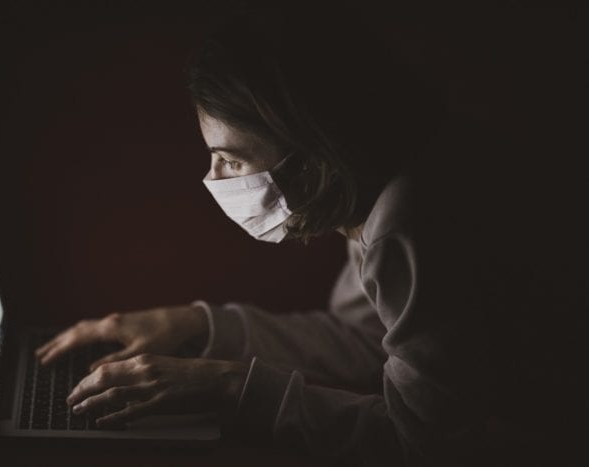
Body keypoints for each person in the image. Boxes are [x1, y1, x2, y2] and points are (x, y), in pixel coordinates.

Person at [35, 8, 585, 466]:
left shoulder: (409, 226)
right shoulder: (392, 183)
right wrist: (197, 325)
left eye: (230, 158)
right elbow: (368, 340)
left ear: (313, 154)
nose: (214, 179)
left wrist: (229, 389)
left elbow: (421, 442)